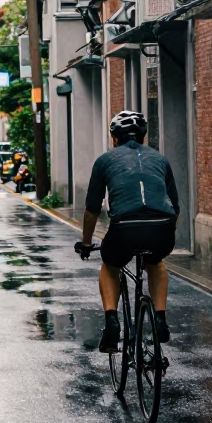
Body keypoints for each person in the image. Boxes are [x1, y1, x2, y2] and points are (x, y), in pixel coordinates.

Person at [75, 111, 179, 354]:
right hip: (162, 227)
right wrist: (165, 234)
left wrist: (87, 243)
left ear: (114, 138)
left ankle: (112, 320)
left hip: (124, 229)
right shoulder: (161, 160)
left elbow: (91, 210)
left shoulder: (104, 161)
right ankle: (160, 318)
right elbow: (176, 207)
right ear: (144, 137)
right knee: (155, 263)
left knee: (110, 265)